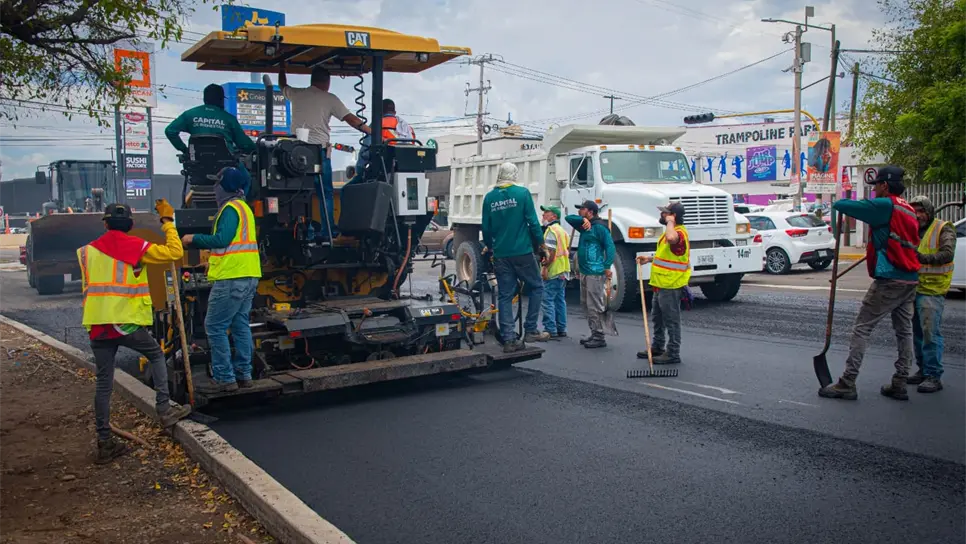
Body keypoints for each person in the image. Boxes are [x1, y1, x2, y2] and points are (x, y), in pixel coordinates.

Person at [77, 200, 192, 464]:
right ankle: (164, 411)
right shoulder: (135, 246)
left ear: (105, 224)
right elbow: (175, 251)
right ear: (130, 225)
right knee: (155, 354)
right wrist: (167, 222)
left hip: (97, 324)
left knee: (104, 382)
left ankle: (104, 441)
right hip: (123, 322)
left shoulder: (85, 252)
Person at [819, 166, 921, 401]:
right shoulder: (907, 208)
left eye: (876, 185)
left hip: (890, 280)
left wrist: (840, 201)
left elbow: (843, 206)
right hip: (909, 279)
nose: (874, 189)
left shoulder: (886, 206)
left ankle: (847, 381)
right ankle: (900, 382)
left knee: (862, 328)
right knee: (903, 331)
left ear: (885, 185)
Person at [181, 167, 262, 393]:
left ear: (225, 186)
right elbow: (236, 245)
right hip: (248, 276)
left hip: (231, 279)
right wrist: (212, 262)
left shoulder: (229, 209)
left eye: (217, 184)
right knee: (240, 325)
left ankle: (224, 378)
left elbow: (222, 239)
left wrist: (193, 238)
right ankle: (244, 374)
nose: (215, 189)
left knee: (215, 327)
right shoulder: (244, 208)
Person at [278, 63, 370, 240]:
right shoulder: (330, 99)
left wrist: (282, 69)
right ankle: (328, 231)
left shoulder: (297, 94)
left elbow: (283, 86)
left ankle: (301, 230)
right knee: (325, 192)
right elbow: (350, 119)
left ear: (312, 80)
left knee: (299, 191)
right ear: (327, 82)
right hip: (318, 153)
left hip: (295, 154)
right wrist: (369, 131)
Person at [481, 162, 548, 352]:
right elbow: (533, 222)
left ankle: (509, 340)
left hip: (501, 254)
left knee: (504, 295)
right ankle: (531, 329)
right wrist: (542, 244)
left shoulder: (490, 198)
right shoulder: (522, 193)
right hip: (522, 252)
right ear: (514, 175)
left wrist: (491, 247)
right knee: (536, 286)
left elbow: (486, 228)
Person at [907, 195, 956, 393]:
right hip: (914, 288)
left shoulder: (943, 228)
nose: (918, 215)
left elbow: (947, 254)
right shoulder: (913, 231)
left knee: (930, 333)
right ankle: (923, 370)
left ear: (929, 212)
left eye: (921, 211)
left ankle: (933, 374)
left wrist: (922, 258)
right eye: (915, 211)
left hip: (932, 290)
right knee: (918, 333)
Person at [636, 201, 689, 364]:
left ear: (673, 216)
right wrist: (650, 259)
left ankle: (673, 352)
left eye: (665, 213)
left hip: (671, 285)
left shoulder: (677, 233)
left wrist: (671, 222)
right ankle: (658, 347)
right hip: (660, 284)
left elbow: (672, 239)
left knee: (671, 321)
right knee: (657, 318)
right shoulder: (670, 232)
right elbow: (667, 255)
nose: (662, 215)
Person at [565, 200, 615, 349]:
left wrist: (607, 265)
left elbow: (610, 247)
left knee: (594, 304)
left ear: (591, 211)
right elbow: (568, 218)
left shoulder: (600, 228)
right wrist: (582, 219)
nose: (580, 211)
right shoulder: (585, 226)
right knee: (586, 304)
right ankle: (594, 332)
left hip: (595, 272)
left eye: (583, 210)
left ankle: (599, 335)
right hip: (585, 272)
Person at [164, 84, 256, 156]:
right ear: (221, 100)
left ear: (205, 98)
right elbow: (245, 144)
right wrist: (257, 149)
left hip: (196, 164)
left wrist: (185, 150)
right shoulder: (229, 119)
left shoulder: (190, 114)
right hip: (226, 164)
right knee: (245, 177)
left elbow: (170, 131)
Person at [539, 204, 570, 339]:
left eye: (546, 213)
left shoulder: (551, 230)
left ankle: (550, 329)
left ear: (554, 216)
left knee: (548, 300)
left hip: (554, 270)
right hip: (563, 270)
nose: (543, 216)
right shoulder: (562, 231)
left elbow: (550, 252)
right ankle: (561, 328)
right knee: (559, 300)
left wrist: (545, 267)